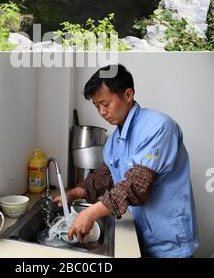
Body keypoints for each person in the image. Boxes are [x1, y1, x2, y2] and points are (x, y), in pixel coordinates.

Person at [54, 64, 199, 258]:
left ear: (128, 95)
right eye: (97, 106)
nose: (102, 112)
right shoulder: (114, 139)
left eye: (106, 104)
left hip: (169, 242)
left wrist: (91, 213)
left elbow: (136, 186)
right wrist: (74, 193)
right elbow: (104, 176)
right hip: (139, 236)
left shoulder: (159, 128)